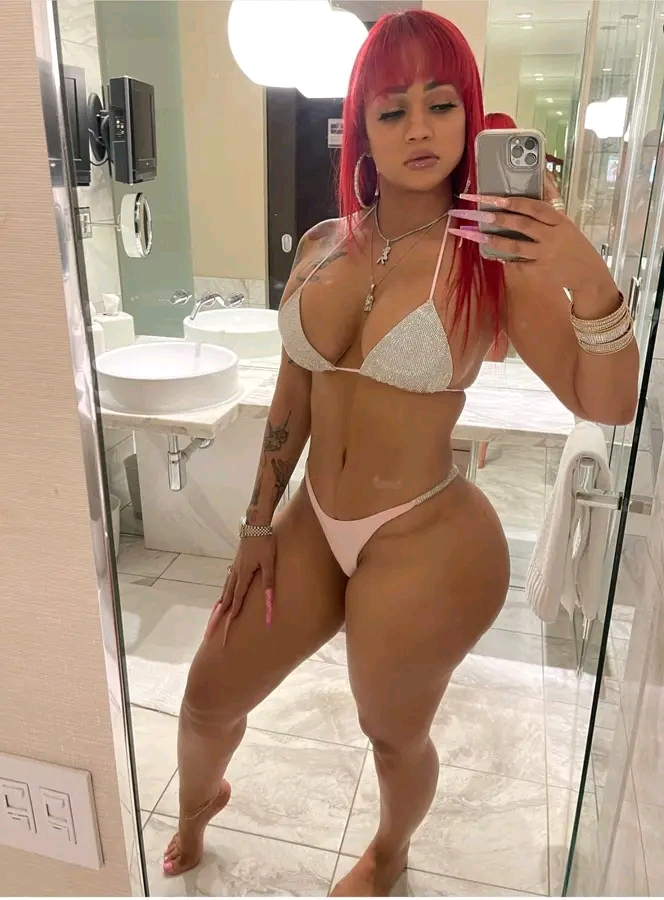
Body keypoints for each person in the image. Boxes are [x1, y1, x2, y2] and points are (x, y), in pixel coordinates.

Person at [162, 10, 639, 895]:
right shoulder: (321, 246)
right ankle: (197, 804)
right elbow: (293, 396)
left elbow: (605, 401)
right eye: (392, 109)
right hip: (311, 519)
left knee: (390, 732)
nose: (419, 128)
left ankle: (390, 851)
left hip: (424, 534)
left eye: (441, 104)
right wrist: (257, 522)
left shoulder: (489, 258)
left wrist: (586, 270)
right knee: (207, 692)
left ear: (468, 118)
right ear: (362, 127)